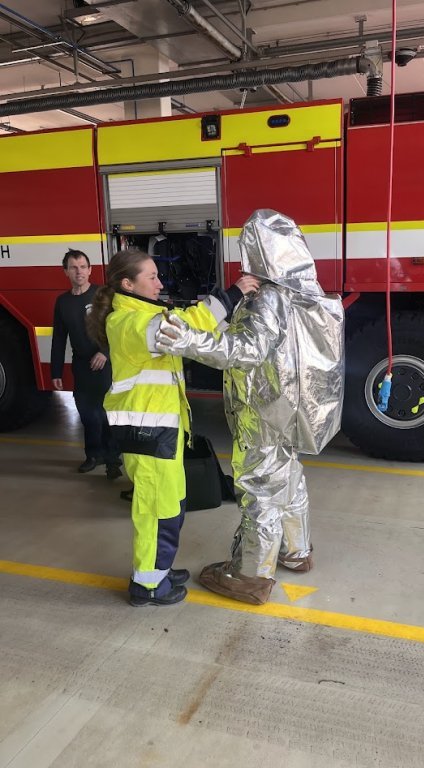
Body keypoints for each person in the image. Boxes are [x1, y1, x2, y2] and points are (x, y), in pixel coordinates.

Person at [156, 210, 345, 605]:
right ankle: (296, 551)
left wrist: (187, 339)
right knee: (289, 479)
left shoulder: (268, 297)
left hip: (261, 411)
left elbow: (245, 351)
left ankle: (250, 576)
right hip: (291, 410)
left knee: (259, 489)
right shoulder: (304, 293)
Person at [87, 248, 259, 607]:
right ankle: (148, 586)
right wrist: (229, 296)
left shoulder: (145, 316)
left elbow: (187, 330)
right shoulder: (127, 322)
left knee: (171, 505)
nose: (159, 283)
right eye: (151, 277)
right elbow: (178, 328)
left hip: (161, 432)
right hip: (147, 435)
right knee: (156, 513)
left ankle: (159, 570)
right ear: (127, 284)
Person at [51, 249, 122, 479]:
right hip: (81, 366)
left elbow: (118, 328)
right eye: (73, 267)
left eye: (83, 267)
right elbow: (59, 338)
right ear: (65, 272)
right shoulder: (63, 302)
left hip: (105, 364)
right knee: (86, 413)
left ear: (90, 270)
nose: (79, 271)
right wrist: (55, 371)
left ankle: (113, 460)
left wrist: (105, 353)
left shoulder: (103, 295)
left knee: (106, 413)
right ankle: (93, 455)